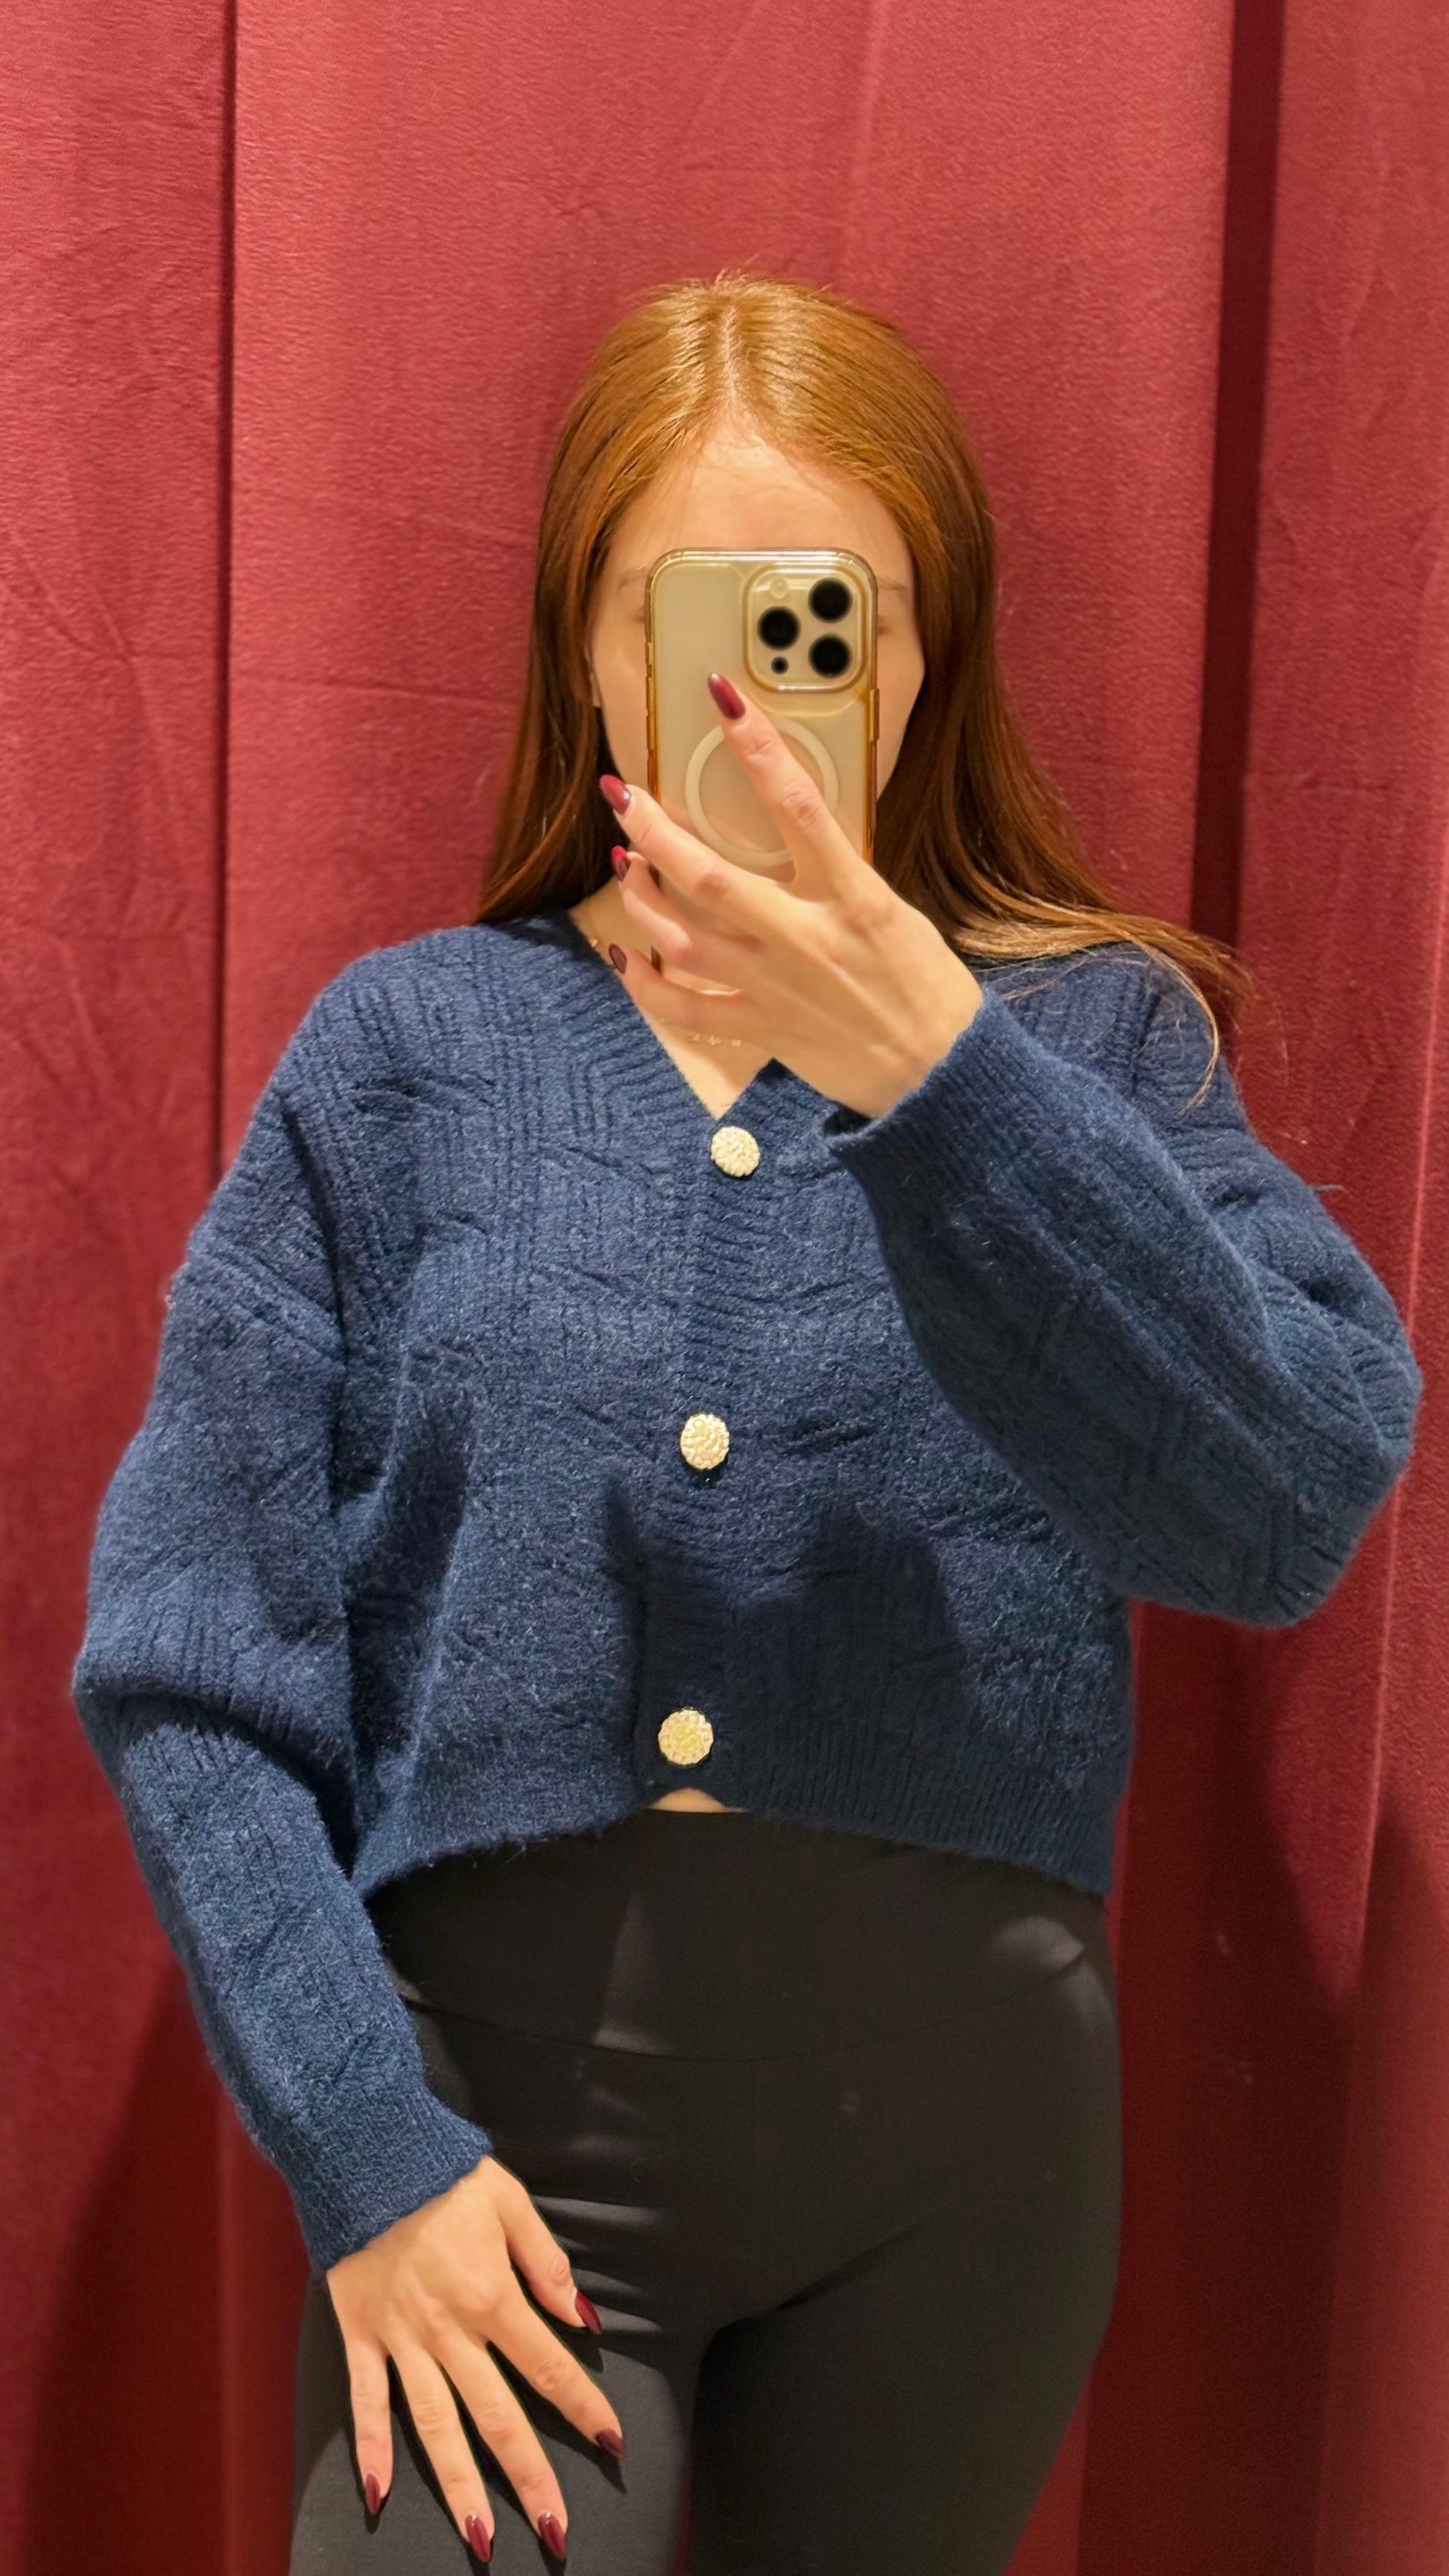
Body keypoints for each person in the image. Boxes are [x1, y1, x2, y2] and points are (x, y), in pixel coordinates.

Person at [71, 269, 1422, 2576]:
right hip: (494, 2168)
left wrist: (934, 1078)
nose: (751, 691)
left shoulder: (1081, 1055)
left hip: (958, 2184)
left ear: (920, 656)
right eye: (682, 614)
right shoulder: (403, 1061)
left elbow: (1283, 1497)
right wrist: (362, 2154)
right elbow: (190, 1667)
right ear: (587, 648)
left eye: (824, 620)